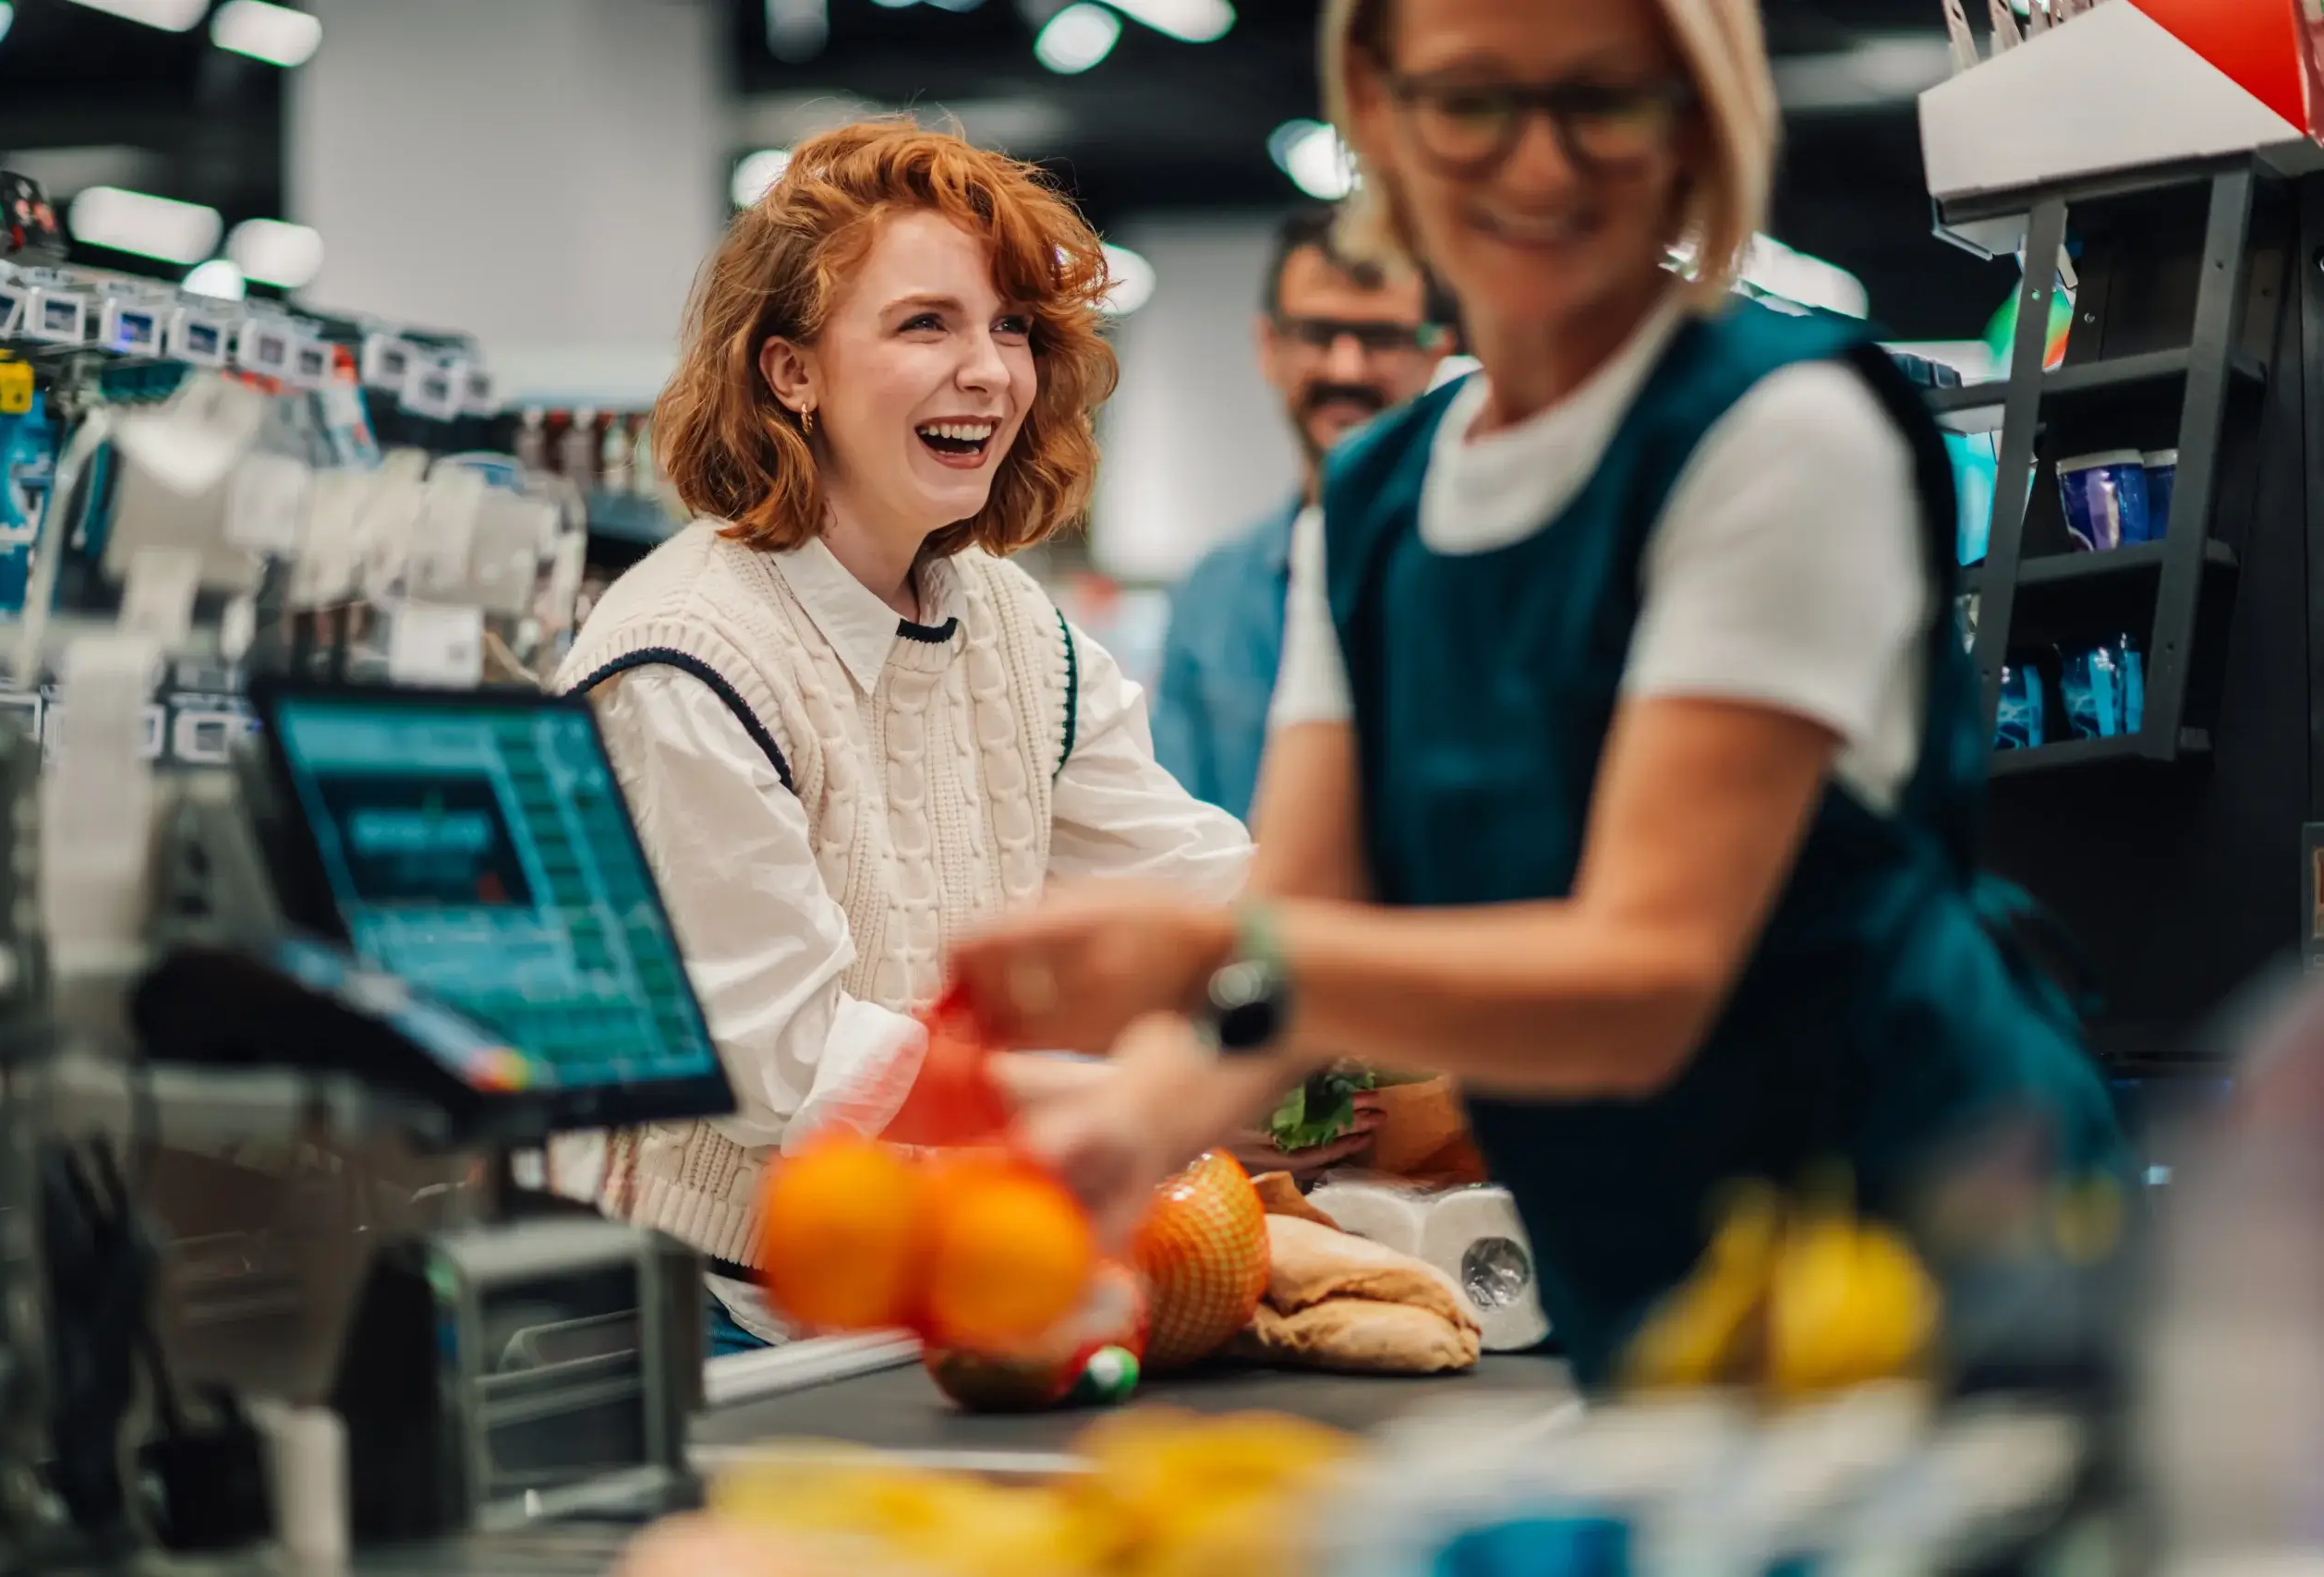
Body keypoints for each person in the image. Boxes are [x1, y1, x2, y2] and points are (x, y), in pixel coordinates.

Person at [944, 0, 2124, 1389]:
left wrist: (1193, 955)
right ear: (1380, 117)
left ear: (1693, 125)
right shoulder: (1377, 501)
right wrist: (1133, 1123)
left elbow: (1650, 978)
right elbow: (1300, 933)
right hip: (1663, 1268)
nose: (1540, 163)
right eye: (1472, 102)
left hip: (1928, 1247)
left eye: (1603, 100)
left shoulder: (1780, 432)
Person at [551, 120, 1251, 1355]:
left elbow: (1191, 881)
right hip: (703, 1316)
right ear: (791, 372)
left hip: (932, 1282)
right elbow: (794, 1060)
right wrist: (1145, 1101)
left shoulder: (1012, 625)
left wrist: (1369, 983)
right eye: (925, 325)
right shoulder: (685, 656)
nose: (987, 372)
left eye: (1010, 328)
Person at [1150, 204, 1454, 824]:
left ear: (1434, 355)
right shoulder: (1212, 594)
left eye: (1381, 338)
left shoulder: (1487, 577)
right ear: (1270, 346)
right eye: (1318, 333)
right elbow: (1169, 831)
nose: (1347, 368)